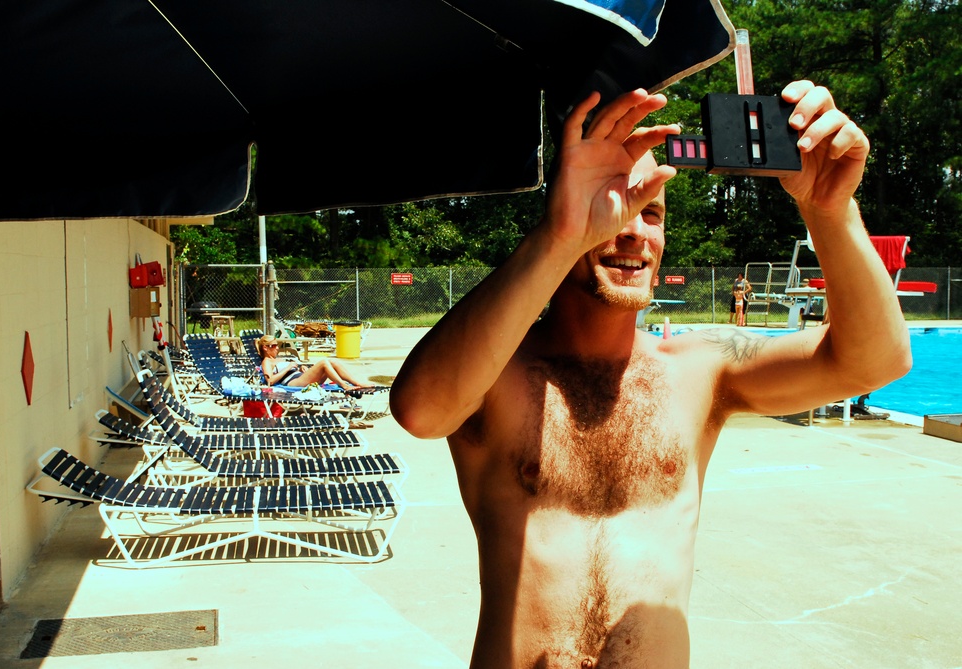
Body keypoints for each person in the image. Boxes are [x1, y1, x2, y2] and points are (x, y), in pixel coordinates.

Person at [389, 81, 910, 668]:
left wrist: (829, 211)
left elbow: (876, 361)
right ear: (564, 211)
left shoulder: (699, 371)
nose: (636, 228)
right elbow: (420, 410)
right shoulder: (495, 371)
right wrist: (561, 238)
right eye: (614, 201)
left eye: (653, 212)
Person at [256, 334, 370, 391]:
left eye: (277, 345)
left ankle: (357, 383)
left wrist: (301, 368)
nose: (277, 348)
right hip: (293, 383)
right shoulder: (266, 362)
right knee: (324, 363)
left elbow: (290, 369)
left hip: (301, 377)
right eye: (274, 346)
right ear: (265, 348)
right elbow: (270, 381)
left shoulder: (278, 358)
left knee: (332, 361)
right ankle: (344, 385)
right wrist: (288, 367)